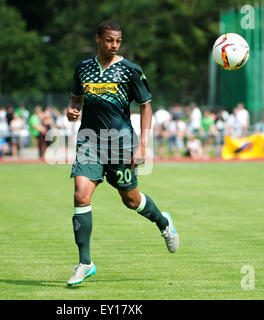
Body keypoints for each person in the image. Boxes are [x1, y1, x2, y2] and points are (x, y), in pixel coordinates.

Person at [65, 20, 179, 287]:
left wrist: (143, 146)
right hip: (89, 142)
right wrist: (71, 110)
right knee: (81, 196)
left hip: (121, 144)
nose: (114, 44)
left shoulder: (131, 70)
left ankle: (163, 222)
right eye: (109, 40)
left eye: (117, 40)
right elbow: (75, 98)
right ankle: (85, 263)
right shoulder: (82, 68)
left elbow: (146, 107)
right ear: (97, 39)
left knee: (131, 200)